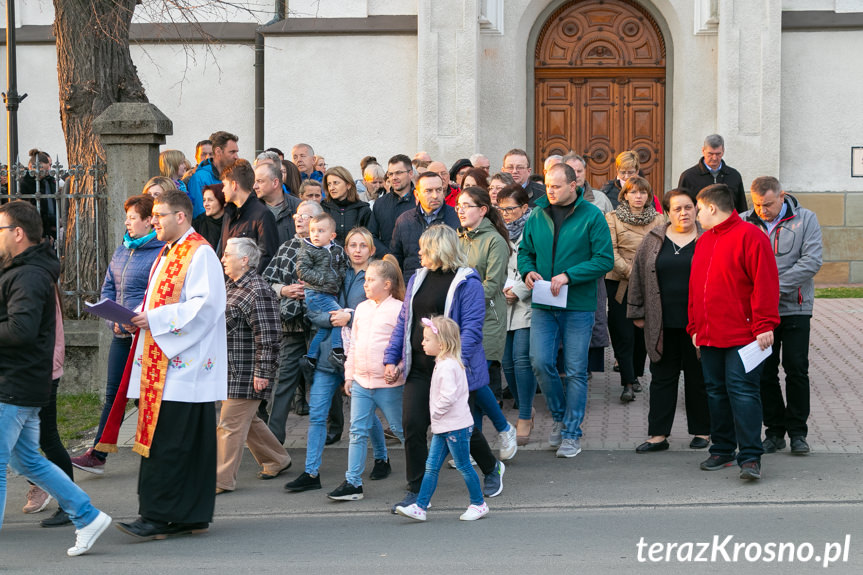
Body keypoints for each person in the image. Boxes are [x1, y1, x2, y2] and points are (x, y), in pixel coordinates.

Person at [98, 189, 227, 539]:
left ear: (180, 217)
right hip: (169, 367)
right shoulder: (169, 251)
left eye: (159, 214)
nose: (154, 220)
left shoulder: (198, 253)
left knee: (169, 445)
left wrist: (152, 320)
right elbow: (158, 299)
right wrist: (138, 317)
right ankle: (189, 515)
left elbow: (206, 306)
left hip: (185, 369)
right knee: (182, 444)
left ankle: (157, 516)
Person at [0, 200, 111, 555]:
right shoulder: (21, 268)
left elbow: (21, 330)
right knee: (27, 460)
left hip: (14, 384)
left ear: (17, 233)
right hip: (21, 382)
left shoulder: (29, 274)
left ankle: (85, 514)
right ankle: (87, 515)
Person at [384, 226, 505, 513]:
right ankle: (415, 491)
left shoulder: (468, 283)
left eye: (425, 249)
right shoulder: (417, 278)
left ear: (440, 250)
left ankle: (492, 468)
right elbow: (405, 321)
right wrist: (392, 357)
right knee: (412, 425)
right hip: (418, 366)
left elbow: (473, 331)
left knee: (461, 430)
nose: (419, 254)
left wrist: (451, 360)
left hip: (453, 369)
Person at [518, 163, 614, 458]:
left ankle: (572, 432)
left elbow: (604, 260)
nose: (550, 191)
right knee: (540, 361)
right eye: (548, 185)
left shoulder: (592, 216)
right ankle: (560, 416)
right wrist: (528, 272)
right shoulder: (537, 214)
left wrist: (569, 275)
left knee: (575, 370)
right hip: (545, 302)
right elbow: (525, 252)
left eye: (557, 186)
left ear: (573, 186)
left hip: (578, 306)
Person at [688, 183, 780, 481]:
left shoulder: (752, 236)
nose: (697, 214)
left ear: (712, 208)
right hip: (709, 334)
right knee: (715, 392)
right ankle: (723, 449)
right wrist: (694, 327)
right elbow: (695, 289)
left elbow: (765, 283)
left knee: (743, 392)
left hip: (743, 335)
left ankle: (751, 457)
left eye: (699, 209)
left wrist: (764, 323)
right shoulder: (703, 242)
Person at [284, 228, 387, 491]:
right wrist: (332, 318)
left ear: (371, 249)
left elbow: (380, 314)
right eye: (352, 244)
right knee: (318, 414)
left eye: (363, 245)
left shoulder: (375, 275)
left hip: (357, 354)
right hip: (328, 354)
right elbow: (313, 310)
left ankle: (382, 458)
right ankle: (311, 473)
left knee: (364, 414)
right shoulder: (334, 270)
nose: (357, 250)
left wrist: (350, 318)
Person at [71, 195, 164, 475]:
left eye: (133, 217)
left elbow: (156, 293)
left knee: (148, 397)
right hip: (121, 335)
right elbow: (109, 286)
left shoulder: (161, 252)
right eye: (127, 217)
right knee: (114, 395)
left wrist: (134, 318)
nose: (127, 222)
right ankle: (98, 454)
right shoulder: (123, 249)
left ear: (149, 221)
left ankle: (163, 455)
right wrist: (114, 318)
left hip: (146, 336)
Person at [743, 176, 823, 455]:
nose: (762, 210)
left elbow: (811, 261)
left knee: (796, 369)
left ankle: (798, 432)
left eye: (768, 204)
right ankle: (774, 431)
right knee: (765, 372)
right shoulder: (745, 221)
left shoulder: (806, 219)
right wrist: (761, 296)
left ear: (782, 196)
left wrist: (773, 288)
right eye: (757, 204)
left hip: (796, 308)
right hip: (759, 313)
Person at [627, 189, 711, 452]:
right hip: (661, 322)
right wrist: (637, 311)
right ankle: (658, 436)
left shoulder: (708, 239)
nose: (684, 213)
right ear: (667, 212)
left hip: (699, 323)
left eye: (688, 207)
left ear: (696, 209)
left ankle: (703, 432)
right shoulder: (654, 239)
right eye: (677, 209)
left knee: (698, 378)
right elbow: (638, 275)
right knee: (662, 378)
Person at [394, 316, 489, 522]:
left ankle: (479, 503)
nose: (422, 343)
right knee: (431, 466)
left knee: (463, 465)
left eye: (427, 339)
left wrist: (434, 413)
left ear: (442, 343)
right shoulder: (445, 362)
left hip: (454, 426)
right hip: (445, 426)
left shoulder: (447, 366)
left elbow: (448, 396)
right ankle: (420, 506)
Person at [328, 256, 406, 501]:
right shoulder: (361, 309)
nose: (366, 284)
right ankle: (353, 482)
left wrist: (400, 367)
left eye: (371, 280)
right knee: (357, 431)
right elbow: (353, 344)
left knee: (401, 429)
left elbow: (405, 347)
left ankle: (422, 474)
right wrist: (349, 376)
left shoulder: (399, 309)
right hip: (362, 381)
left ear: (387, 284)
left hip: (389, 384)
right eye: (365, 279)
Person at [216, 238, 291, 493]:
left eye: (228, 255)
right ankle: (277, 459)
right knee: (247, 422)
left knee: (229, 425)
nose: (223, 259)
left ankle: (221, 480)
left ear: (244, 260)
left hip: (247, 373)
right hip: (230, 369)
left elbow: (269, 336)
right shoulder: (231, 286)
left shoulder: (258, 290)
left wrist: (262, 373)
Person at [456, 186, 518, 460]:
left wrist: (459, 300)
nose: (460, 209)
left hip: (487, 320)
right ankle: (474, 449)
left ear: (482, 210)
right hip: (461, 320)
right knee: (468, 388)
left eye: (467, 205)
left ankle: (504, 429)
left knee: (479, 384)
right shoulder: (459, 238)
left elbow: (492, 285)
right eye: (459, 204)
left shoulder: (495, 241)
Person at [262, 200, 321, 440]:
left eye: (305, 216)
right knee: (284, 376)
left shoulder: (329, 249)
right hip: (291, 323)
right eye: (297, 215)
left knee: (323, 375)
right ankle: (275, 437)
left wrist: (314, 287)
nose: (298, 219)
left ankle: (334, 427)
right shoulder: (286, 248)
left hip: (319, 325)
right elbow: (266, 281)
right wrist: (284, 290)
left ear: (318, 221)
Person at [605, 176, 664, 402]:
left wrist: (645, 276)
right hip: (620, 283)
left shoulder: (659, 219)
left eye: (643, 192)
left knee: (642, 334)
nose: (638, 197)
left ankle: (636, 374)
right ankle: (627, 382)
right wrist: (633, 273)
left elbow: (662, 249)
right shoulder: (612, 218)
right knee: (623, 332)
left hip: (651, 282)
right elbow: (611, 251)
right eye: (633, 192)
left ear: (649, 196)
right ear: (625, 195)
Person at [496, 184, 537, 445]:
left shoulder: (535, 228)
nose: (506, 213)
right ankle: (524, 405)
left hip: (527, 302)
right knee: (506, 362)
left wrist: (519, 290)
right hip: (502, 302)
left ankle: (524, 415)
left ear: (524, 207)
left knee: (522, 359)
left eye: (511, 208)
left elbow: (540, 262)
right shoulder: (499, 232)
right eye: (502, 209)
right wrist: (501, 290)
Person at [297, 213, 349, 371]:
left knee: (326, 327)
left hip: (330, 293)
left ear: (332, 235)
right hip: (316, 293)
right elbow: (301, 270)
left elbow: (342, 267)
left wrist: (338, 279)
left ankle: (311, 358)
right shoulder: (308, 250)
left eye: (320, 231)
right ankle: (337, 351)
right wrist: (322, 279)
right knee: (339, 316)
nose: (315, 234)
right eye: (313, 230)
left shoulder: (337, 250)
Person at [390, 171, 460, 281]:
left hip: (445, 285)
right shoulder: (404, 220)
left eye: (439, 190)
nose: (435, 195)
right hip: (411, 286)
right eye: (428, 191)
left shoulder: (457, 218)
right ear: (417, 194)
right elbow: (396, 259)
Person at [219, 158, 280, 272]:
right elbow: (223, 253)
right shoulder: (228, 214)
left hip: (251, 287)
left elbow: (267, 257)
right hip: (229, 286)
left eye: (224, 185)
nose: (222, 190)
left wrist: (249, 283)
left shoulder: (263, 215)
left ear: (234, 185)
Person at [678, 134, 748, 213]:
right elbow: (680, 206)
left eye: (718, 154)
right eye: (710, 154)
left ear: (723, 151)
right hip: (699, 224)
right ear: (703, 151)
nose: (714, 158)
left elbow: (742, 208)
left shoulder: (734, 176)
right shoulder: (688, 177)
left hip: (729, 224)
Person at [368, 154, 416, 256]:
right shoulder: (380, 203)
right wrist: (387, 255)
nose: (394, 178)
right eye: (390, 174)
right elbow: (371, 235)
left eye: (398, 173)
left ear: (410, 173)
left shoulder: (421, 202)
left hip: (416, 264)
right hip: (387, 265)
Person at [187, 131, 239, 218]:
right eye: (232, 152)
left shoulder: (234, 175)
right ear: (218, 152)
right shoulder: (199, 178)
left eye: (236, 152)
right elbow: (200, 215)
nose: (236, 156)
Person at [254, 159, 302, 245]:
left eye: (260, 181)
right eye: (254, 182)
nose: (255, 186)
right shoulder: (253, 209)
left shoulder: (299, 208)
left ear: (275, 182)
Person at [320, 166, 372, 245]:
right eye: (329, 184)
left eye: (335, 183)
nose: (331, 188)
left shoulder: (363, 210)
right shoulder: (323, 208)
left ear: (348, 185)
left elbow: (368, 240)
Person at [192, 183, 226, 249]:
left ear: (221, 200)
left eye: (210, 200)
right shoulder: (198, 223)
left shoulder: (231, 222)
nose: (205, 204)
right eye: (204, 200)